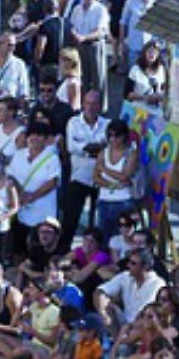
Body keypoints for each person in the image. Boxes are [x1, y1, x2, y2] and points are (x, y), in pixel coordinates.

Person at [6, 120, 61, 256]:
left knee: (39, 247)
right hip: (21, 208)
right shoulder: (19, 155)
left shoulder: (52, 158)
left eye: (39, 135)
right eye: (32, 135)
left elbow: (53, 182)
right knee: (19, 246)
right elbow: (11, 176)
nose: (35, 138)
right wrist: (20, 194)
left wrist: (32, 196)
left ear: (46, 139)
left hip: (43, 210)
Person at [62, 89, 107, 249]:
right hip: (79, 177)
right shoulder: (73, 123)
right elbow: (72, 147)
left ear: (100, 106)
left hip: (100, 179)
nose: (90, 107)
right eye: (87, 103)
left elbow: (107, 150)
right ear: (82, 104)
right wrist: (94, 148)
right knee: (70, 220)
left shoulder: (106, 125)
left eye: (94, 104)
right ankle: (63, 250)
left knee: (97, 223)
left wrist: (88, 148)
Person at [93, 118, 138, 243]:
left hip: (124, 201)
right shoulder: (103, 153)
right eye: (110, 135)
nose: (113, 139)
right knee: (103, 239)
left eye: (116, 136)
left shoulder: (131, 154)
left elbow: (125, 176)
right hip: (104, 200)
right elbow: (95, 177)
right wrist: (112, 185)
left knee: (122, 239)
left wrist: (105, 169)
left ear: (124, 136)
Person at [68, 0, 109, 108]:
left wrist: (84, 37)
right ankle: (85, 105)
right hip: (80, 45)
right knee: (83, 77)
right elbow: (71, 26)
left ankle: (101, 107)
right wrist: (75, 35)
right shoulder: (77, 9)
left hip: (95, 45)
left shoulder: (100, 9)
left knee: (98, 78)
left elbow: (100, 31)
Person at [119, 0, 156, 73]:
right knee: (133, 76)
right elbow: (123, 23)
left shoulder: (155, 4)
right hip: (133, 47)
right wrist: (122, 43)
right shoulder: (130, 2)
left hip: (150, 49)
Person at [0, 32, 30, 100]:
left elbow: (24, 90)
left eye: (14, 45)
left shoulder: (19, 64)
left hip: (11, 105)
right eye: (9, 45)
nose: (12, 48)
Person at [125, 40, 167, 112]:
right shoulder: (135, 70)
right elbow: (127, 95)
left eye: (155, 52)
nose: (152, 54)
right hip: (138, 110)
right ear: (144, 53)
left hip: (156, 111)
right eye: (149, 51)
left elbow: (164, 89)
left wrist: (160, 97)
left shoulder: (161, 69)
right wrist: (144, 98)